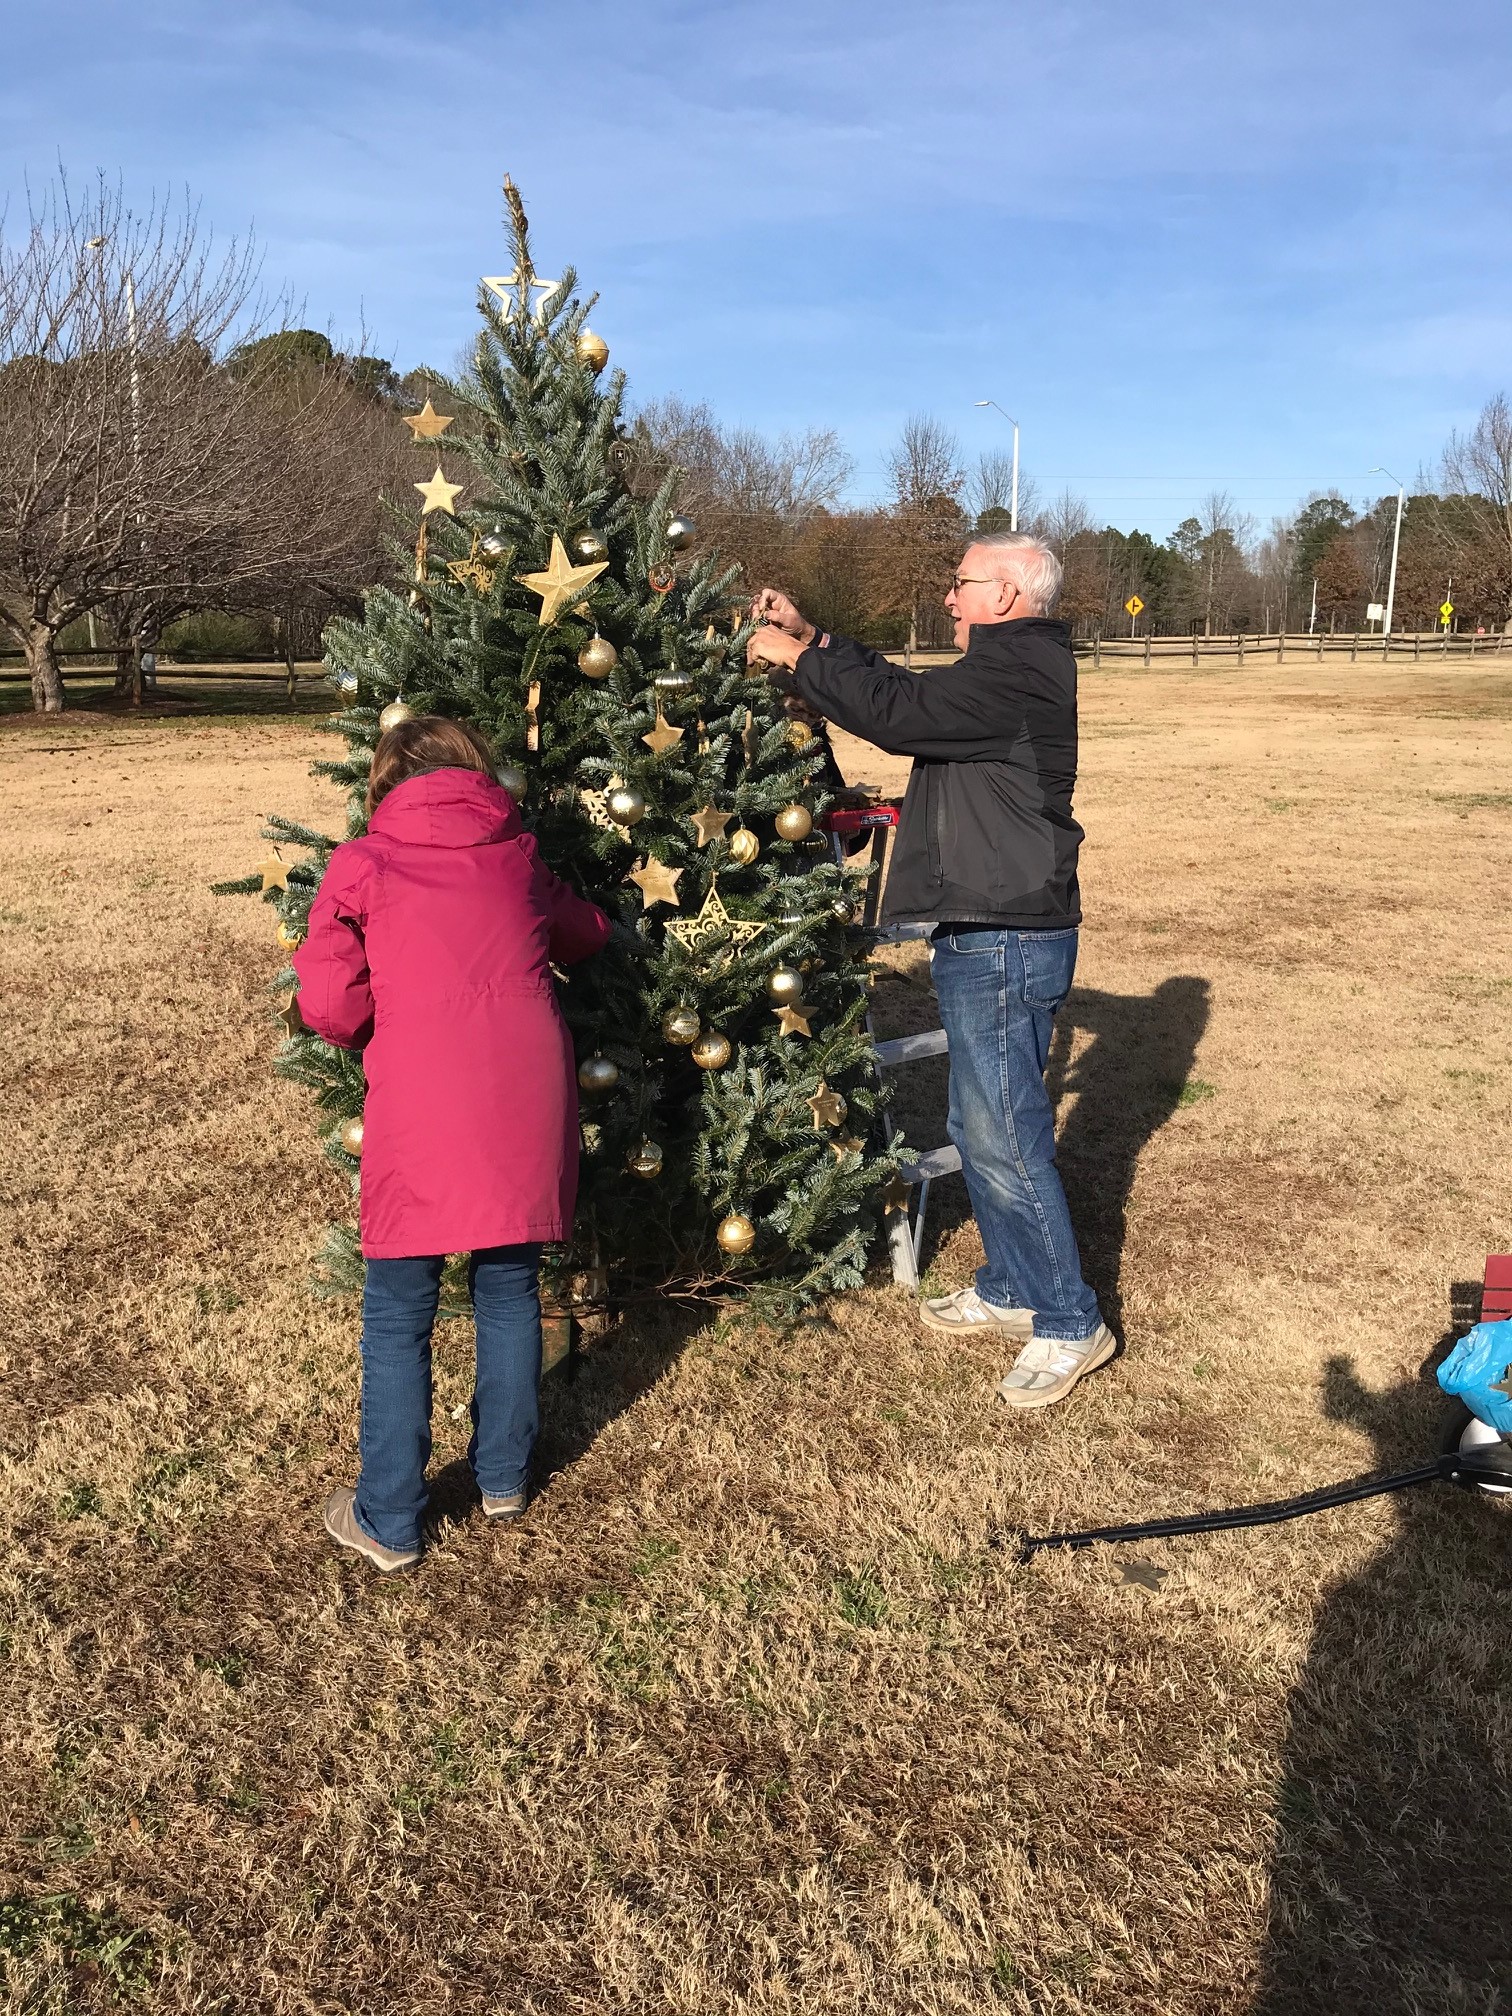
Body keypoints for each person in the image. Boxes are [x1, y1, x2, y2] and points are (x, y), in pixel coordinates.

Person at [748, 534, 1114, 1409]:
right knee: (977, 1117)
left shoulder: (1017, 670)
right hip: (980, 926)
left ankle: (1068, 1319)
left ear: (1007, 594)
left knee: (1006, 1129)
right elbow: (910, 694)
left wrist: (797, 659)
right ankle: (1014, 1286)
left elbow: (899, 715)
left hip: (1005, 932)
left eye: (960, 585)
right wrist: (820, 640)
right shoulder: (1002, 666)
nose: (948, 599)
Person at [291, 715, 610, 1571]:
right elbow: (584, 932)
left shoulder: (364, 862)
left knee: (401, 1306)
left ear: (386, 781)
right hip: (526, 1088)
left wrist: (373, 1023)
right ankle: (503, 1477)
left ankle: (389, 1517)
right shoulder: (517, 853)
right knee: (509, 1285)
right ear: (475, 772)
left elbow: (327, 1002)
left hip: (425, 1090)